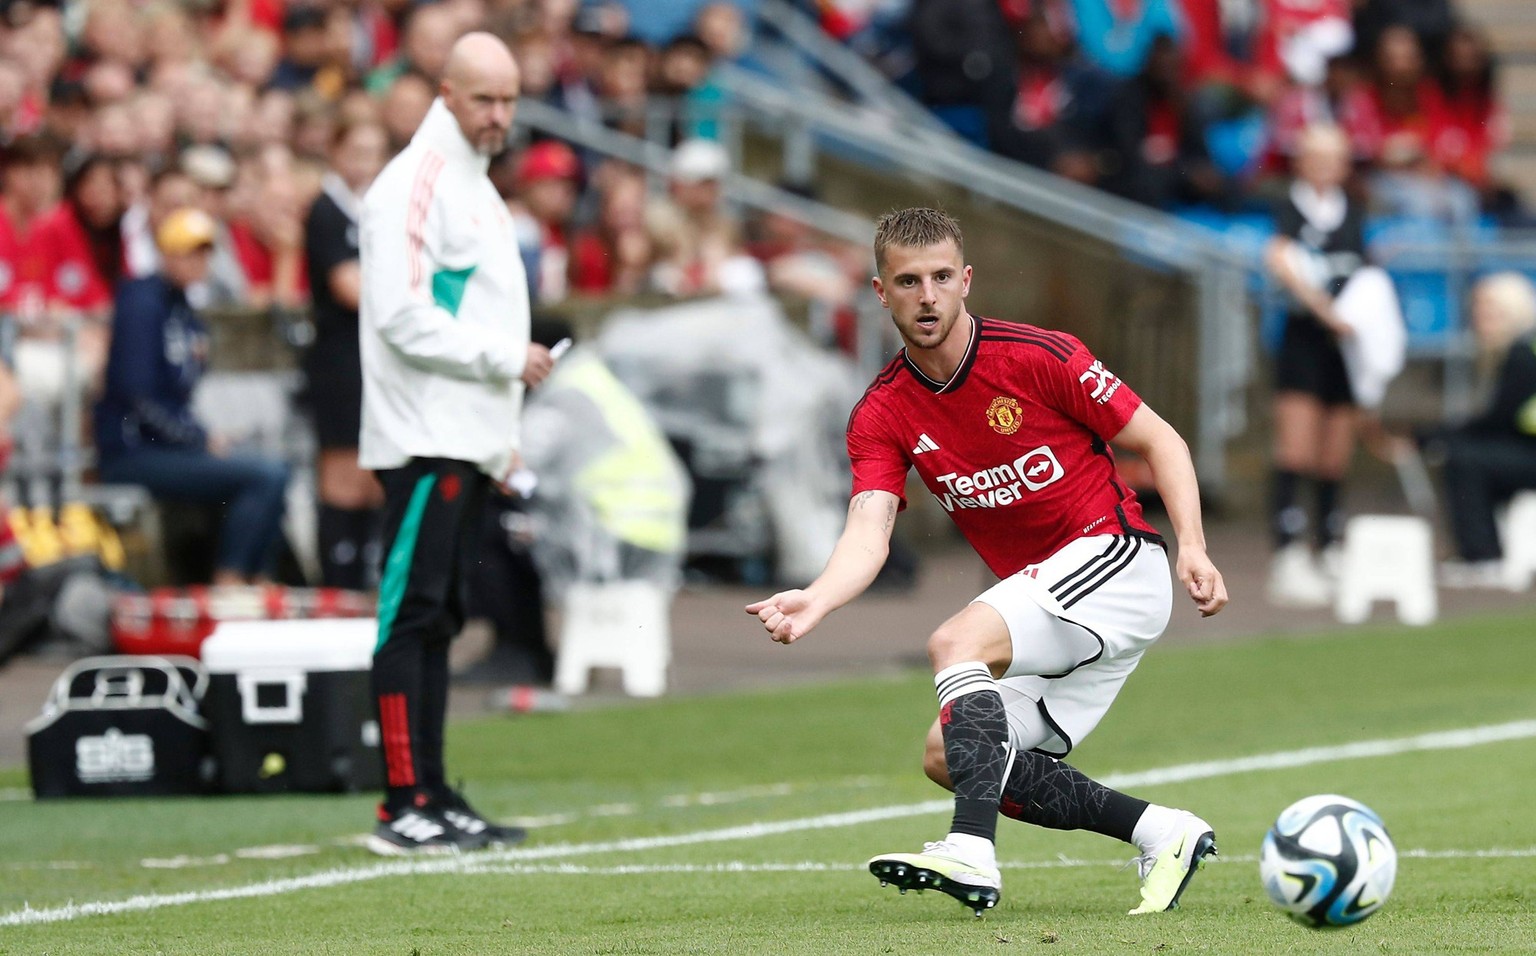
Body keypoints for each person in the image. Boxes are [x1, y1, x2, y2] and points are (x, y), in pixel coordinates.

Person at [747, 207, 1227, 917]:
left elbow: (1163, 442)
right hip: (1049, 605)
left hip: (1115, 562)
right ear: (881, 293)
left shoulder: (1039, 356)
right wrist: (819, 596)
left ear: (966, 280)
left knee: (955, 642)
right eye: (908, 281)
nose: (928, 295)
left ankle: (972, 848)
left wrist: (1193, 543)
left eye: (942, 277)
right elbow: (869, 528)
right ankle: (1164, 832)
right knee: (949, 752)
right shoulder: (881, 411)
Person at [358, 32, 554, 856]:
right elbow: (402, 316)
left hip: (466, 439)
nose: (499, 115)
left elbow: (477, 313)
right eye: (485, 99)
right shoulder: (413, 184)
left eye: (509, 99)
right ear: (445, 92)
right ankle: (401, 802)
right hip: (422, 439)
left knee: (440, 616)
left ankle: (432, 790)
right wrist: (504, 362)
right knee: (411, 615)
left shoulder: (473, 185)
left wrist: (502, 436)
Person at [93, 207, 292, 586]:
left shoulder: (184, 309)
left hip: (170, 446)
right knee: (265, 475)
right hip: (133, 450)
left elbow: (177, 396)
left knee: (274, 468)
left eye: (204, 252)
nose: (198, 261)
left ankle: (256, 577)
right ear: (165, 253)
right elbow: (138, 395)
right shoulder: (141, 302)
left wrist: (200, 437)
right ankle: (231, 579)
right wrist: (197, 439)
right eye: (188, 251)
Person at [1262, 124, 1365, 607]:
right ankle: (1288, 553)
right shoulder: (1289, 208)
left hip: (1343, 350)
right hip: (1304, 341)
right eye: (1316, 157)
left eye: (1335, 157)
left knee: (1334, 455)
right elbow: (1280, 260)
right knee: (1295, 451)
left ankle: (1329, 546)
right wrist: (1325, 310)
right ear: (1301, 162)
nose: (1326, 166)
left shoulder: (1354, 210)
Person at [302, 116, 389, 590]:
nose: (366, 161)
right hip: (340, 358)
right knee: (341, 473)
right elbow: (348, 287)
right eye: (356, 149)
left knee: (372, 475)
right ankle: (337, 586)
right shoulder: (326, 211)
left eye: (374, 150)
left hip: (373, 358)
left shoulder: (373, 209)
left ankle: (361, 583)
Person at [1428, 273, 1536, 588]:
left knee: (1466, 460)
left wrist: (1436, 437)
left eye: (1491, 310)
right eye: (1477, 309)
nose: (1480, 318)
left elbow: (1498, 420)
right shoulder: (1516, 351)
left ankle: (1482, 557)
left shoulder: (1522, 353)